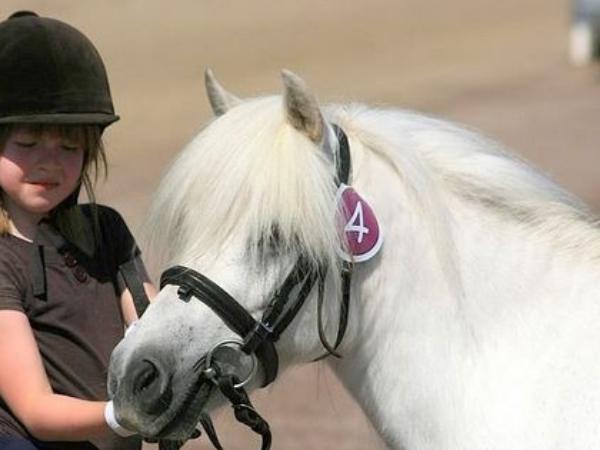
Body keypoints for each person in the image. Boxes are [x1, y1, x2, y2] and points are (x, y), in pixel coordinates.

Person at [0, 11, 156, 450]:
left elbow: (152, 327)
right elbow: (36, 410)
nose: (49, 163)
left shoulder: (106, 230)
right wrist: (125, 414)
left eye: (69, 147)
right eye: (27, 144)